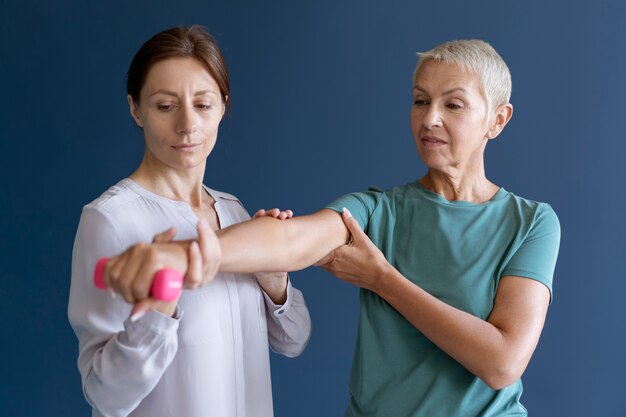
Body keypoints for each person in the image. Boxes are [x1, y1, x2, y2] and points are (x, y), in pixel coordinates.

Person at [105, 39, 560, 416]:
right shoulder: (378, 210)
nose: (429, 118)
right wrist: (180, 255)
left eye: (453, 104)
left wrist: (382, 279)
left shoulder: (531, 223)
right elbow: (287, 240)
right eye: (420, 100)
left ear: (497, 120)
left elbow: (502, 362)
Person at [68, 25, 311, 417]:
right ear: (135, 109)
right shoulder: (110, 219)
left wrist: (273, 280)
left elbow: (294, 340)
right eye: (165, 106)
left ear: (223, 105)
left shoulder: (234, 212)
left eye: (203, 104)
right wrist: (158, 311)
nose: (187, 125)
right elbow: (104, 395)